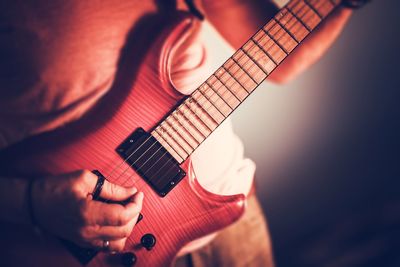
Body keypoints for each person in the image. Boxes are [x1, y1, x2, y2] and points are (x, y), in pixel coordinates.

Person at [0, 0, 360, 266]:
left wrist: (342, 4)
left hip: (230, 223)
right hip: (64, 246)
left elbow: (281, 61)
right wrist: (32, 203)